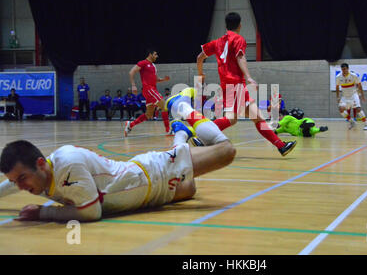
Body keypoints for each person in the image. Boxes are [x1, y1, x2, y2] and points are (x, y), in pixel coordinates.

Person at [0, 92, 235, 222]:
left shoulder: (66, 163)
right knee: (190, 189)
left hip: (155, 173)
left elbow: (92, 213)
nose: (20, 187)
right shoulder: (38, 177)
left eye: (21, 178)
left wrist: (42, 213)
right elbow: (9, 186)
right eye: (15, 181)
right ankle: (181, 136)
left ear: (41, 164)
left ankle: (181, 107)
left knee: (227, 151)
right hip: (152, 198)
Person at [195, 12, 297, 156]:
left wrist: (200, 74)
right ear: (240, 25)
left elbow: (199, 57)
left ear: (226, 25)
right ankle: (201, 137)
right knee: (231, 119)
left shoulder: (217, 42)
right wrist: (249, 77)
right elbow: (240, 57)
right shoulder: (238, 39)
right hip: (236, 83)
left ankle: (281, 146)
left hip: (228, 84)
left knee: (257, 117)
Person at [125, 48, 171, 137]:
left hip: (152, 90)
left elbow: (156, 80)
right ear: (150, 54)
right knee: (164, 106)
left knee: (149, 114)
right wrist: (133, 85)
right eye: (155, 54)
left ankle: (130, 125)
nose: (157, 56)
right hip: (149, 89)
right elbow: (131, 72)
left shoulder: (153, 66)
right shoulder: (143, 63)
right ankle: (168, 130)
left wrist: (164, 79)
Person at [336, 63, 367, 130]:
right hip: (345, 96)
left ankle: (366, 124)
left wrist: (362, 96)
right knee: (341, 109)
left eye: (345, 69)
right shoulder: (338, 77)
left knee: (358, 109)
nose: (343, 71)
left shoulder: (353, 75)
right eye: (342, 69)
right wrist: (338, 97)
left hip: (353, 95)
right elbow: (337, 87)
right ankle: (352, 122)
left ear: (348, 68)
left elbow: (360, 85)